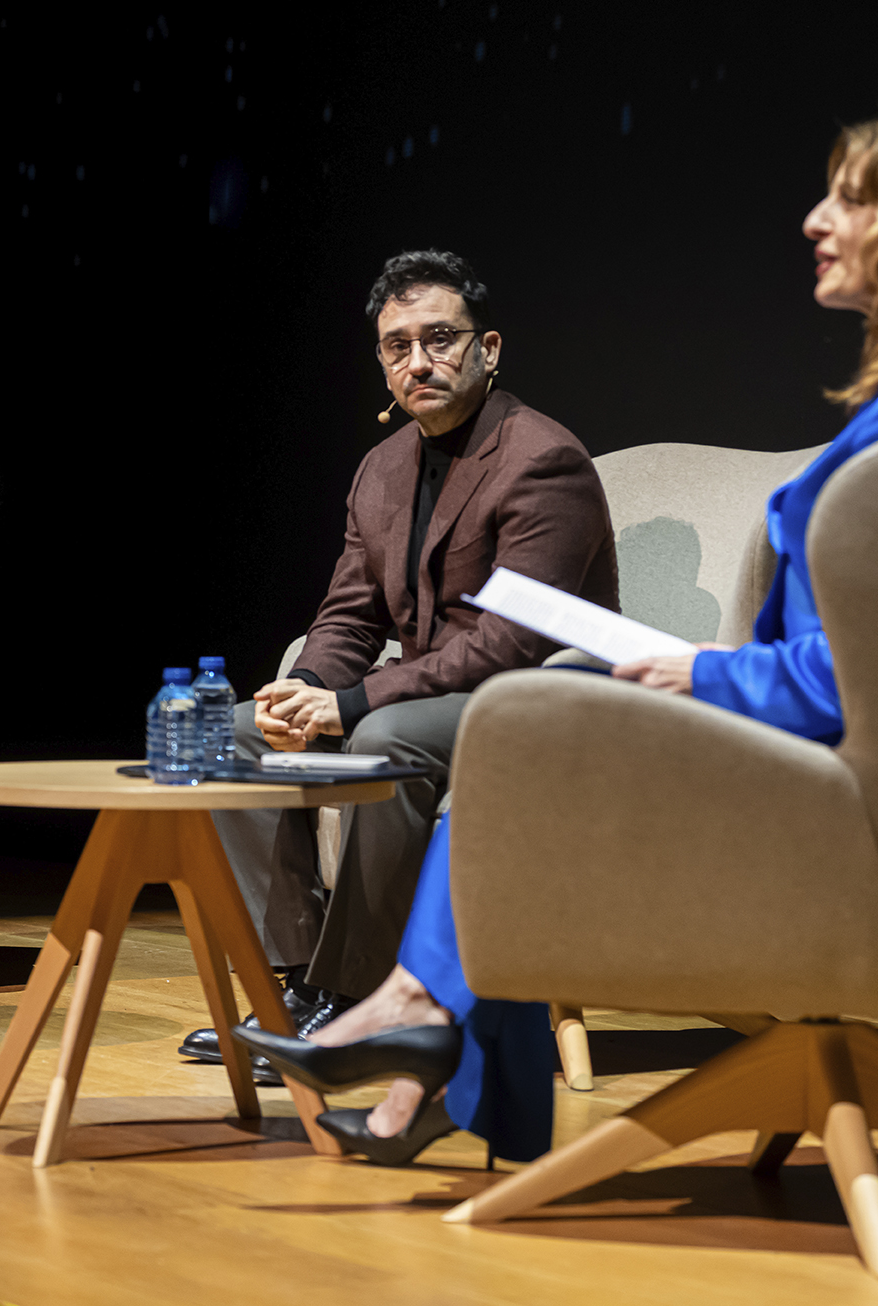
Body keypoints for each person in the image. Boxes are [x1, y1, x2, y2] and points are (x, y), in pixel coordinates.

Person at [237, 108, 878, 1164]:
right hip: (826, 764)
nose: (813, 220)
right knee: (524, 726)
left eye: (847, 199)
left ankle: (414, 1024)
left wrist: (697, 670)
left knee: (523, 725)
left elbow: (873, 677)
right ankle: (416, 1059)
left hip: (834, 796)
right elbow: (349, 609)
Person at [183, 250, 619, 1074]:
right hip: (429, 696)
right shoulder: (382, 468)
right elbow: (350, 614)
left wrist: (352, 704)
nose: (418, 362)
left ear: (488, 349)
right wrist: (304, 688)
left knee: (386, 735)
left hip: (537, 702)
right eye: (396, 346)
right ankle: (295, 986)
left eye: (439, 339)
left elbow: (513, 641)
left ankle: (356, 996)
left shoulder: (542, 459)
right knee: (236, 733)